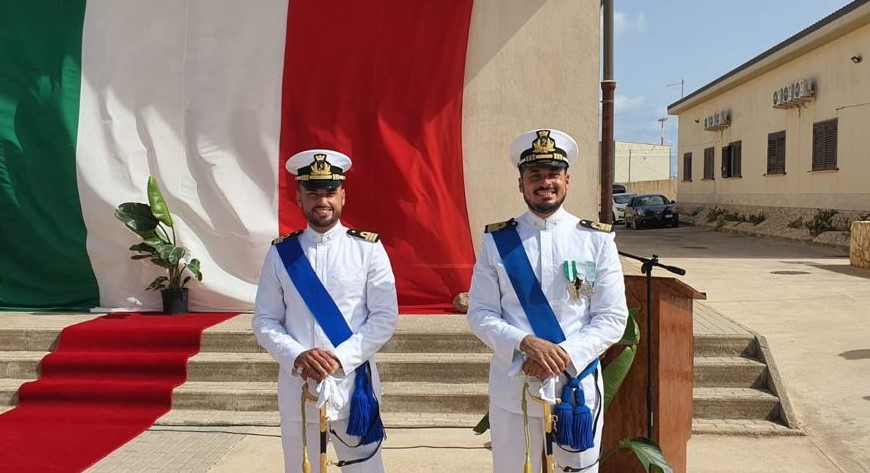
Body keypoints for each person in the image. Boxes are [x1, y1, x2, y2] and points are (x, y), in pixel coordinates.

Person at [467, 129, 629, 473]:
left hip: (575, 386)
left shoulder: (595, 241)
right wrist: (525, 343)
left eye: (553, 174)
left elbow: (612, 317)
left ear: (567, 180)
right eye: (534, 176)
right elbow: (480, 312)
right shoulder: (498, 242)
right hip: (516, 382)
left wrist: (561, 356)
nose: (545, 183)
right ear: (521, 184)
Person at [253, 149, 398, 473]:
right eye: (313, 193)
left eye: (330, 192)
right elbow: (265, 319)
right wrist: (297, 355)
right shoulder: (282, 254)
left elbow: (384, 317)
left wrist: (339, 358)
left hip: (353, 385)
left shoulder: (368, 249)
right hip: (299, 385)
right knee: (301, 468)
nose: (323, 201)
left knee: (365, 470)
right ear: (299, 197)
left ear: (343, 196)